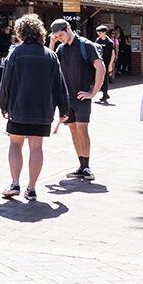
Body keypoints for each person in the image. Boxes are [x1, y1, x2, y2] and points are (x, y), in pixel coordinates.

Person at [0, 14, 70, 201]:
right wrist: (64, 110)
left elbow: (6, 82)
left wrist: (4, 105)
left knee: (15, 144)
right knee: (36, 147)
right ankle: (31, 187)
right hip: (43, 110)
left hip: (19, 108)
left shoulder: (15, 53)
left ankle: (15, 183)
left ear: (20, 32)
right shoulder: (50, 55)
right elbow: (60, 86)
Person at [50, 19, 105, 181]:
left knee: (82, 129)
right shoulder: (60, 48)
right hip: (67, 98)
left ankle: (87, 166)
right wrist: (52, 43)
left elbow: (100, 68)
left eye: (61, 35)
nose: (59, 38)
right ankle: (80, 165)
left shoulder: (86, 45)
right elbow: (49, 63)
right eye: (56, 36)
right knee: (73, 129)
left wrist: (93, 92)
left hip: (81, 97)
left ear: (68, 29)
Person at [93, 25, 116, 104]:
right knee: (98, 78)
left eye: (99, 32)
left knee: (104, 79)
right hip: (99, 62)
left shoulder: (109, 42)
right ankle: (105, 93)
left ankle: (105, 94)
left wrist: (110, 65)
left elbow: (113, 54)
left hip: (106, 63)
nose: (98, 33)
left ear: (104, 32)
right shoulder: (97, 40)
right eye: (97, 32)